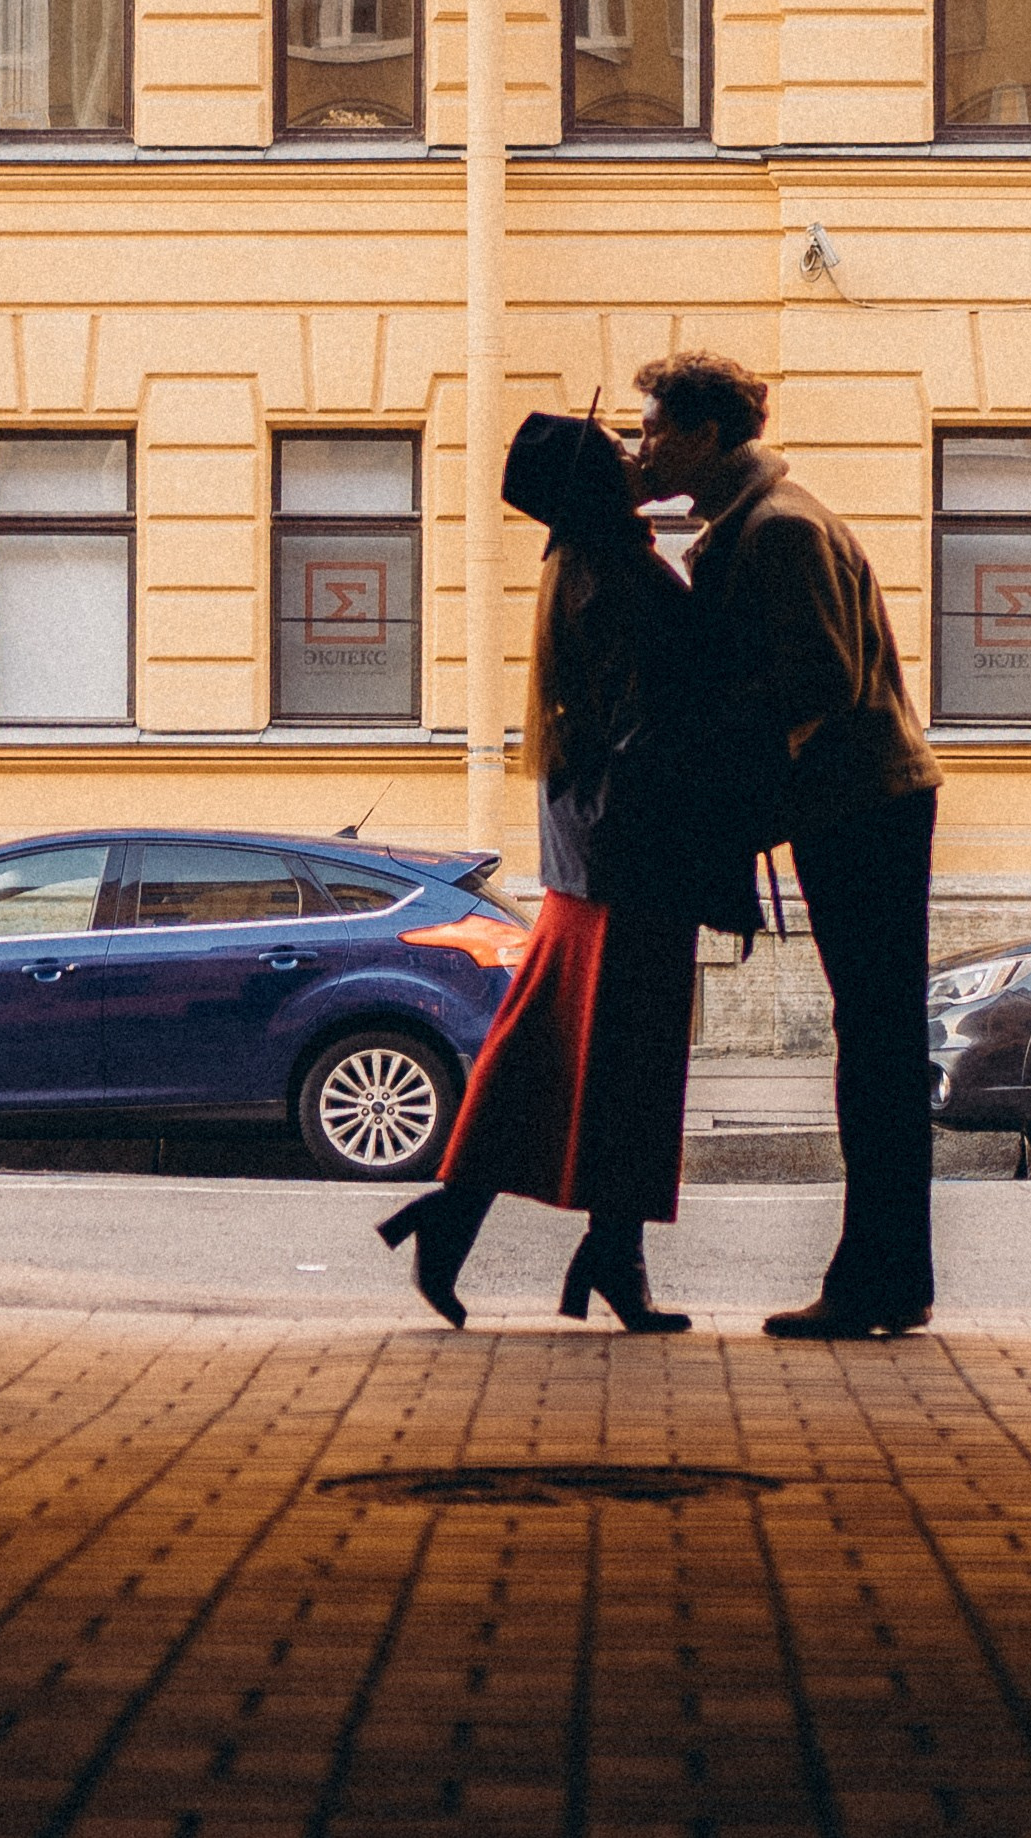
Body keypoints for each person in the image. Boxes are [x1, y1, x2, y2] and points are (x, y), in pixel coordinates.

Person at [379, 407, 761, 1333]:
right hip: (637, 863)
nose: (636, 456)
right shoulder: (621, 577)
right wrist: (718, 858)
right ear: (596, 482)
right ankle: (601, 1254)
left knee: (554, 1057)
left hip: (593, 859)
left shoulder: (581, 565)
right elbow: (660, 735)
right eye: (618, 452)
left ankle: (497, 1227)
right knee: (629, 1067)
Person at [631, 349, 944, 1339]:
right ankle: (891, 1275)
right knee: (876, 1041)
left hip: (861, 804)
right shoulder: (762, 521)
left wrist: (731, 774)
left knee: (877, 1045)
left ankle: (877, 1280)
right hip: (858, 801)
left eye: (658, 430)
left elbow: (820, 683)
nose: (644, 446)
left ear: (711, 434)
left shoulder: (780, 530)